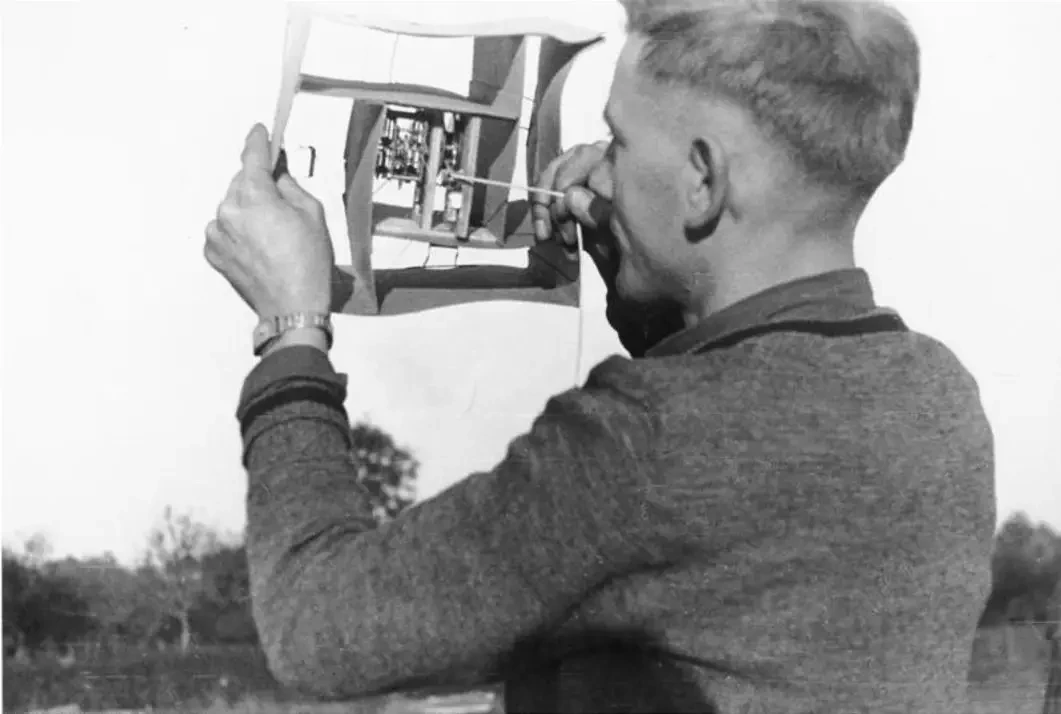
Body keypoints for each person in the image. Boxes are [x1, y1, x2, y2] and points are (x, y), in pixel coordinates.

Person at [203, 1, 997, 711]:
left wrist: (291, 329)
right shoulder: (936, 395)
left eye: (617, 141)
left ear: (702, 178)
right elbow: (746, 531)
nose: (598, 170)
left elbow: (316, 624)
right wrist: (658, 282)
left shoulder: (643, 442)